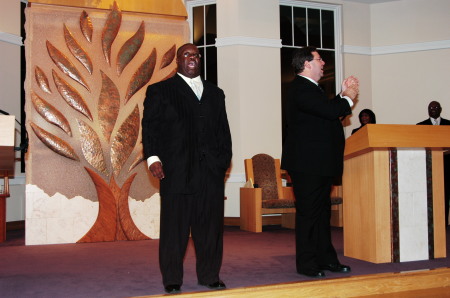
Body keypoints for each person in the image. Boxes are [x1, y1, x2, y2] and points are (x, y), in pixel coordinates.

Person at [142, 43, 232, 294]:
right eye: (186, 55)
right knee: (174, 229)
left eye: (196, 54)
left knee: (210, 229)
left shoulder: (216, 93)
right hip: (176, 172)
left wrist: (222, 161)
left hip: (210, 174)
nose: (192, 58)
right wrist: (153, 159)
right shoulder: (160, 91)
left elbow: (224, 132)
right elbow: (150, 128)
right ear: (178, 61)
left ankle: (210, 275)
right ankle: (172, 279)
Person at [281, 46, 359, 278]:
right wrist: (347, 97)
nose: (323, 63)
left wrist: (342, 98)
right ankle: (306, 264)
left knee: (321, 214)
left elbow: (325, 114)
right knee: (309, 215)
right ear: (307, 64)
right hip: (308, 164)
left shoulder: (311, 90)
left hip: (319, 163)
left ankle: (326, 259)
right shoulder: (300, 88)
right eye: (319, 59)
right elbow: (328, 111)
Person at [417, 101, 450, 227]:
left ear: (440, 109)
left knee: (445, 196)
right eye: (431, 108)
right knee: (428, 197)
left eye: (436, 107)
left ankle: (444, 225)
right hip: (427, 167)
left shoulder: (448, 124)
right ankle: (429, 224)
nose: (433, 109)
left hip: (447, 167)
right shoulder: (420, 126)